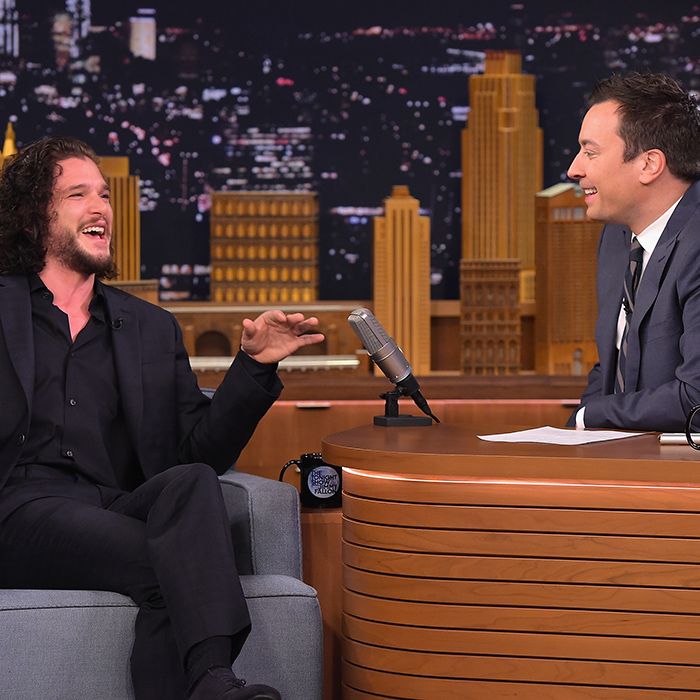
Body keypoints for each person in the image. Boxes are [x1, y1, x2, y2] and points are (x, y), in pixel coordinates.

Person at [0, 136, 324, 699]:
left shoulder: (149, 327)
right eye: (77, 194)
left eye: (105, 195)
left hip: (110, 504)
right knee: (178, 562)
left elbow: (198, 453)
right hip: (18, 508)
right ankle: (214, 681)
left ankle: (207, 685)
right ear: (33, 218)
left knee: (192, 483)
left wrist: (252, 367)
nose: (100, 207)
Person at [566, 73, 700, 431]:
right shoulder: (617, 238)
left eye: (590, 152)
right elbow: (610, 366)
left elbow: (697, 399)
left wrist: (587, 417)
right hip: (624, 455)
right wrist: (581, 426)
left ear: (649, 164)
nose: (574, 169)